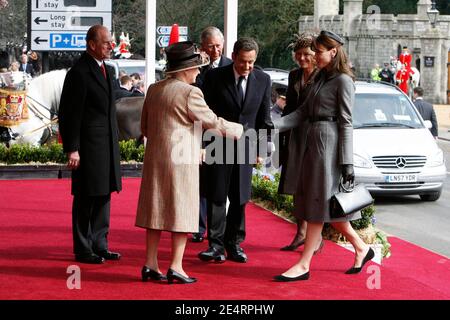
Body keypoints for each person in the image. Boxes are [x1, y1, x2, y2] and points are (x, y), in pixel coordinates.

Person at [135, 41, 243, 284]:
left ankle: (150, 264)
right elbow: (212, 122)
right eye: (197, 67)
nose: (198, 72)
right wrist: (239, 129)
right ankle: (176, 266)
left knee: (155, 212)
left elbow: (145, 127)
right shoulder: (190, 92)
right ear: (186, 69)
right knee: (182, 213)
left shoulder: (154, 89)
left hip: (155, 159)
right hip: (181, 161)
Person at [270, 30, 373, 281]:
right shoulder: (321, 79)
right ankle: (362, 248)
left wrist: (347, 163)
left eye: (318, 51)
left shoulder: (343, 80)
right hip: (312, 142)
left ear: (333, 52)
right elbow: (302, 113)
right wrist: (272, 125)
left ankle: (304, 264)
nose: (315, 55)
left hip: (328, 145)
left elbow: (346, 122)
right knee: (328, 206)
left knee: (318, 203)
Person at [198, 37, 272, 263]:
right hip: (217, 144)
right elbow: (204, 113)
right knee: (217, 196)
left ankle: (234, 244)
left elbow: (264, 118)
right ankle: (215, 245)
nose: (247, 67)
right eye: (242, 62)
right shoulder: (214, 77)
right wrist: (201, 145)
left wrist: (261, 148)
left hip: (246, 146)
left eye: (251, 62)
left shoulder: (263, 79)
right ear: (234, 56)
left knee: (240, 197)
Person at [58, 25, 122, 264]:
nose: (110, 46)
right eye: (106, 42)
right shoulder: (79, 72)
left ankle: (100, 244)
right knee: (86, 197)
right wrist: (72, 148)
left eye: (111, 42)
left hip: (107, 145)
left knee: (104, 195)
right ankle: (83, 248)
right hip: (87, 146)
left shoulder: (107, 69)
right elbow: (69, 113)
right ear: (92, 44)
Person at [278, 33, 319, 252]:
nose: (302, 58)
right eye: (299, 54)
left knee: (312, 187)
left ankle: (315, 236)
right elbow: (290, 106)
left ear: (315, 55)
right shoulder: (294, 75)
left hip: (314, 137)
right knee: (295, 186)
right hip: (293, 134)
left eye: (307, 54)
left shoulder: (323, 76)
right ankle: (300, 232)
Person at [192, 26, 233, 243]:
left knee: (220, 187)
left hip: (224, 132)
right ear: (203, 47)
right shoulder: (197, 69)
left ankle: (219, 230)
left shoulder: (231, 66)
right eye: (211, 46)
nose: (215, 50)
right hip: (201, 131)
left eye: (218, 45)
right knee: (201, 183)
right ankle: (198, 227)